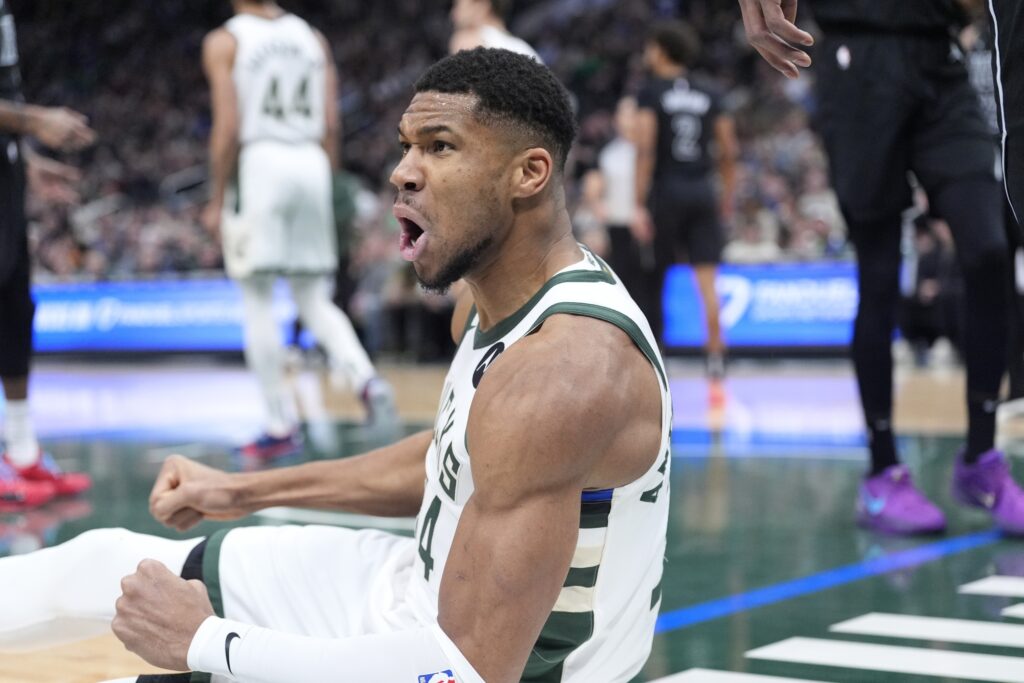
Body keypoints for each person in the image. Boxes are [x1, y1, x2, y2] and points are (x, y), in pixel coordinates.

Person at [0, 48, 671, 683]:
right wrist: (243, 491)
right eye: (406, 145)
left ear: (529, 173)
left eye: (441, 147)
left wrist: (208, 641)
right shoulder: (490, 298)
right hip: (421, 591)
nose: (402, 171)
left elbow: (460, 672)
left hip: (480, 663)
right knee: (103, 561)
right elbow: (452, 457)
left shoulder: (564, 371)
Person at [739, 0, 1024, 535]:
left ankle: (982, 460)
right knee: (879, 270)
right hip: (858, 59)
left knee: (988, 248)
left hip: (941, 58)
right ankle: (882, 473)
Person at [201, 0, 397, 459]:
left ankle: (276, 423)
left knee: (257, 297)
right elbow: (332, 122)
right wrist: (326, 184)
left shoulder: (225, 40)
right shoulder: (313, 37)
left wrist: (216, 198)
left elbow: (227, 127)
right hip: (309, 161)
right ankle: (365, 379)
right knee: (314, 297)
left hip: (260, 161)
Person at [0, 0, 95, 508]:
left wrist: (23, 157)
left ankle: (21, 453)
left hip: (7, 177)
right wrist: (34, 120)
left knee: (15, 316)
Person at [634, 21, 738, 383]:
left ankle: (653, 357)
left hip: (666, 190)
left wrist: (638, 201)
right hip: (702, 190)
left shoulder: (651, 91)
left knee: (656, 278)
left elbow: (645, 147)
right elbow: (728, 149)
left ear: (661, 50)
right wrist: (726, 193)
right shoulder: (711, 91)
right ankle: (716, 356)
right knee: (708, 279)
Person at [449, 0, 540, 59]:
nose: (453, 14)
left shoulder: (467, 40)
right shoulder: (525, 49)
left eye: (457, 5)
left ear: (482, 5)